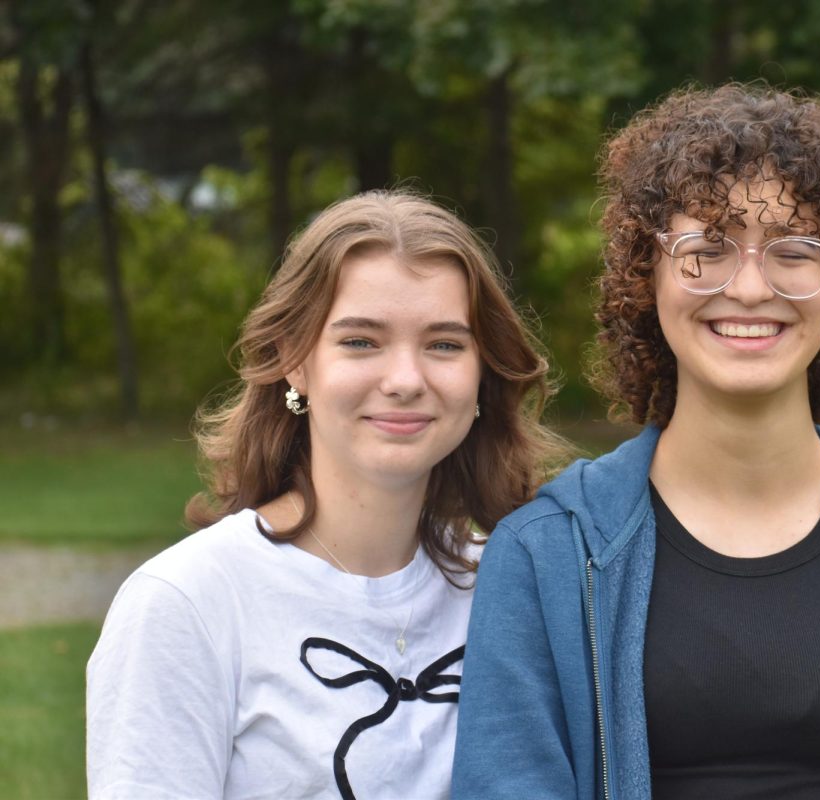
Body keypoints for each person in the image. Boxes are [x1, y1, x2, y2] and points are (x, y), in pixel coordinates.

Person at [452, 85, 820, 799]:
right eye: (708, 248)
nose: (752, 288)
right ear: (648, 273)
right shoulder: (547, 555)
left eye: (795, 250)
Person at [87, 190, 563, 800]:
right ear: (294, 360)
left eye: (444, 344)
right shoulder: (187, 605)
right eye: (361, 342)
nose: (405, 381)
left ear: (482, 374)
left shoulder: (507, 587)